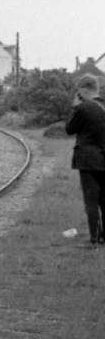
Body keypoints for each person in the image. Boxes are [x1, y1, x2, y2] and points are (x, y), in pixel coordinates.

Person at [64, 75, 105, 244]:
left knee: (91, 200)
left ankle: (94, 238)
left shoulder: (83, 107)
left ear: (82, 90)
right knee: (104, 199)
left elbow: (69, 129)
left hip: (88, 159)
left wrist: (75, 106)